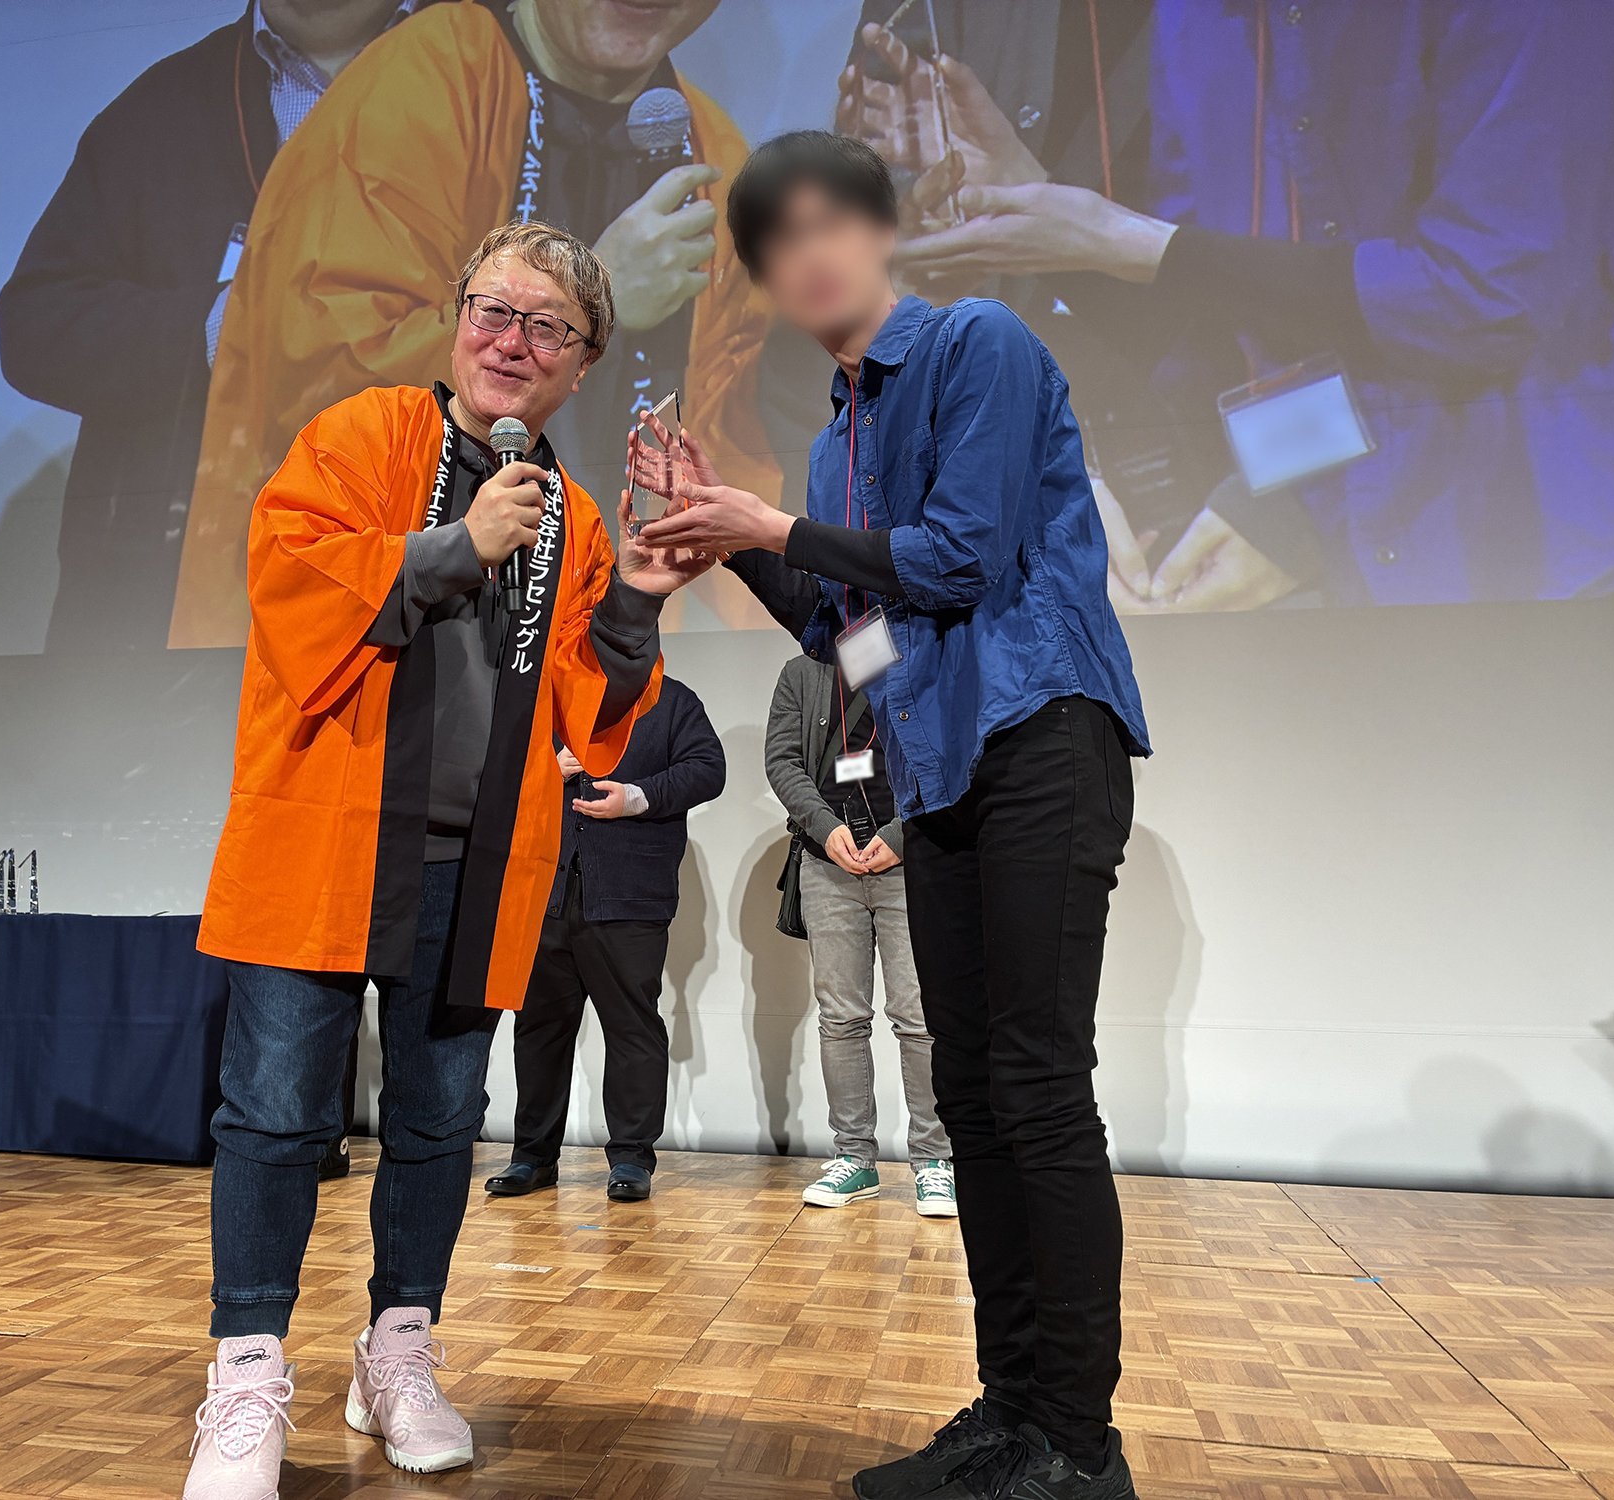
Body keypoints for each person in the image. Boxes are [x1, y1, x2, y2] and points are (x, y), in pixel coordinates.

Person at [636, 133, 1150, 1498]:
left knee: (1035, 1084)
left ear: (880, 231)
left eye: (826, 223)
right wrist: (727, 537)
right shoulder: (836, 441)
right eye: (773, 243)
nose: (803, 257)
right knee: (970, 1095)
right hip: (944, 772)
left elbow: (962, 559)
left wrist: (773, 527)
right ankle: (1012, 1410)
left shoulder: (978, 341)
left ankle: (1077, 1447)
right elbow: (854, 640)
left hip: (1041, 734)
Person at [181, 221, 713, 1496]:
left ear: (582, 363)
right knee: (273, 1114)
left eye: (547, 327)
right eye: (493, 311)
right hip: (324, 841)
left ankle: (397, 1350)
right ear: (457, 317)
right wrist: (452, 547)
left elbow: (593, 709)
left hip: (474, 867)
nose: (511, 342)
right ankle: (246, 1375)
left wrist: (637, 595)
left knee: (435, 1123)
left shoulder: (570, 514)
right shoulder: (363, 434)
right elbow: (287, 579)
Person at [879, 0, 1614, 609]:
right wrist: (1040, 207)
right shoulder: (1194, 18)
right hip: (1313, 535)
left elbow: (1482, 302)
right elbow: (1209, 318)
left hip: (1524, 552)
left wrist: (1126, 242)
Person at [169, 0, 782, 647]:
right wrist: (596, 299)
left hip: (588, 628)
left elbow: (732, 447)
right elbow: (316, 369)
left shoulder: (713, 157)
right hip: (381, 624)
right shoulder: (423, 78)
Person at [0, 0, 434, 653]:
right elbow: (36, 326)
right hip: (173, 617)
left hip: (424, 588)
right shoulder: (156, 111)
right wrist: (224, 329)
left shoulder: (502, 78)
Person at [484, 676, 724, 1204]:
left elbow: (709, 769)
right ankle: (532, 1156)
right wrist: (545, 767)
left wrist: (638, 797)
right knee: (539, 1028)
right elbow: (491, 765)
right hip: (545, 891)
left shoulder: (671, 700)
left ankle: (632, 1157)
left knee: (632, 1027)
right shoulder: (547, 700)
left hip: (629, 895)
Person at [766, 653, 954, 1217]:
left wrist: (901, 834)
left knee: (919, 1016)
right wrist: (826, 830)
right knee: (841, 1017)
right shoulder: (802, 673)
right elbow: (782, 761)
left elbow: (948, 755)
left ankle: (935, 1162)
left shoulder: (924, 657)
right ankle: (854, 1157)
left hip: (909, 861)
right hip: (828, 864)